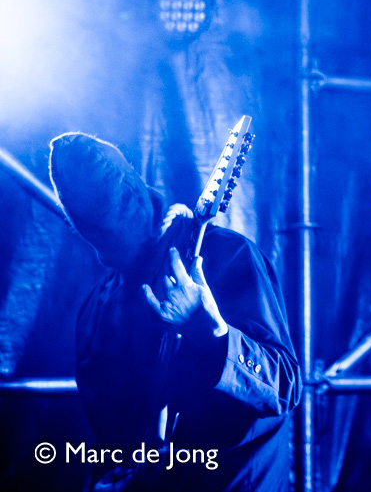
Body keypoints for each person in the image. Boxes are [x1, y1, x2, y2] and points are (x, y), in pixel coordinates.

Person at [48, 132, 300, 492]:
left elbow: (285, 386)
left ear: (138, 191)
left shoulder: (225, 256)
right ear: (84, 230)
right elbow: (111, 443)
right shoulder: (96, 311)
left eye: (124, 205)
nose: (121, 223)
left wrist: (212, 331)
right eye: (101, 224)